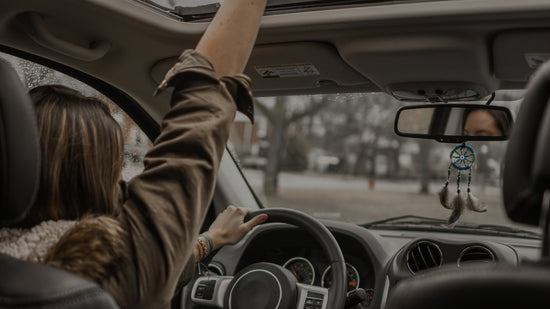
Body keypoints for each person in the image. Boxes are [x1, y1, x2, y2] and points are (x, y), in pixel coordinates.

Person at [0, 0, 268, 308]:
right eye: (114, 169)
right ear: (97, 181)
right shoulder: (107, 270)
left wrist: (208, 241)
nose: (120, 181)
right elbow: (205, 100)